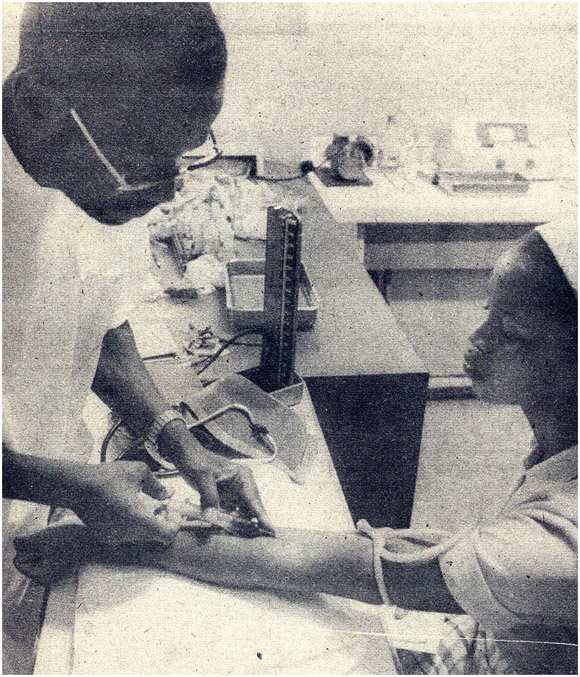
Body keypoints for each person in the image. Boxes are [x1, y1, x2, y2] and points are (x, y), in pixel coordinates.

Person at [16, 222, 578, 675]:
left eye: (513, 332)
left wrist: (105, 537)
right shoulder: (560, 441)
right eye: (488, 313)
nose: (477, 339)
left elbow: (348, 567)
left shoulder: (560, 545)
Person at [3, 4, 272, 671]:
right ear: (39, 105)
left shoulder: (99, 179)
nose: (170, 185)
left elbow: (100, 315)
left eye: (184, 154)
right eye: (150, 156)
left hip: (37, 513)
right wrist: (72, 485)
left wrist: (177, 440)